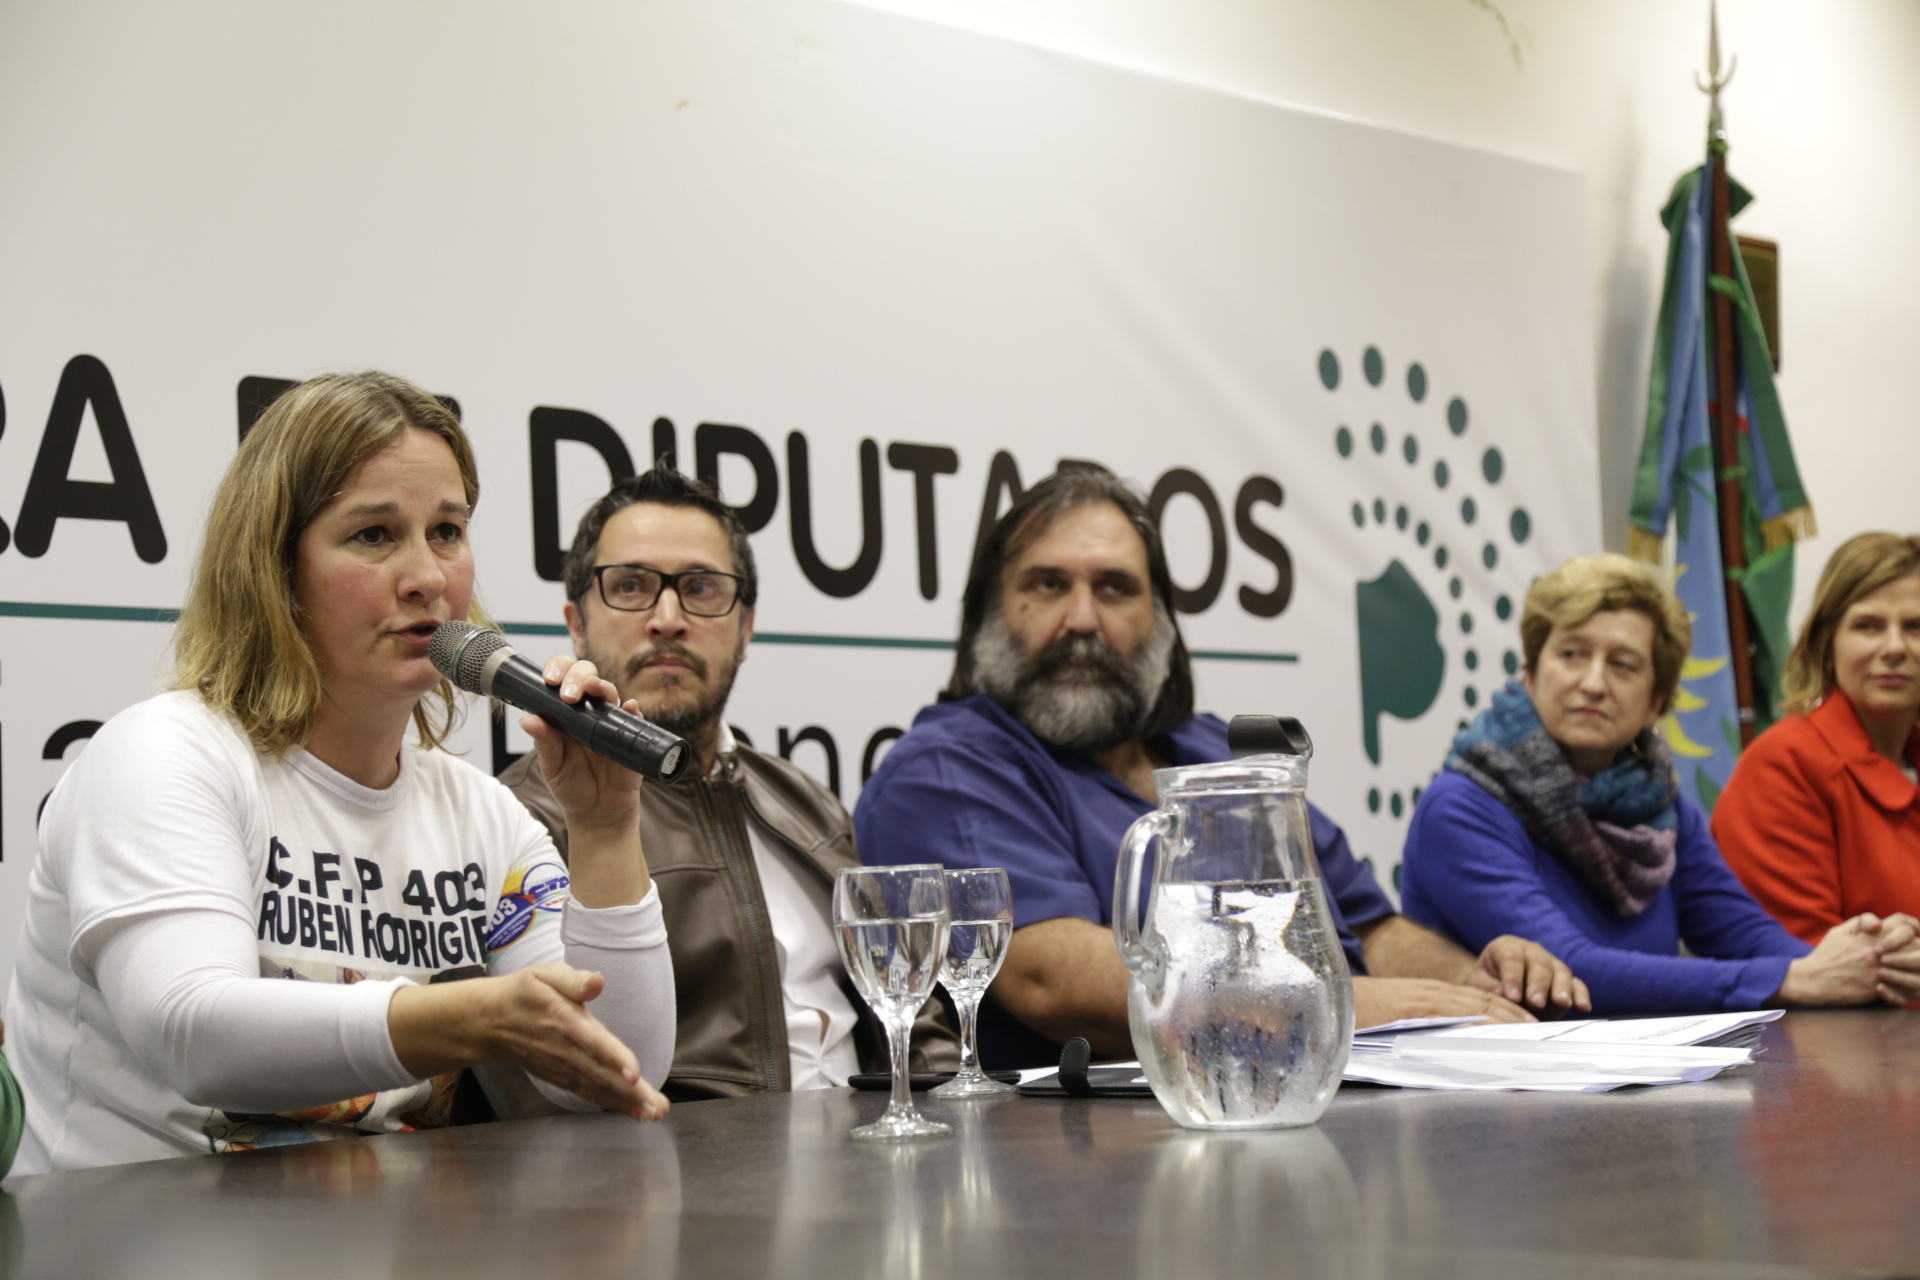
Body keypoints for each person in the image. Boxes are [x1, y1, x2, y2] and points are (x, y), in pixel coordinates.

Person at [4, 372, 674, 1174]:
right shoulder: (165, 753)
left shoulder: (481, 815)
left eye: (447, 531)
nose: (428, 577)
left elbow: (616, 1075)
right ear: (272, 569)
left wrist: (604, 828)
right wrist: (461, 1018)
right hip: (125, 1231)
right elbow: (190, 1030)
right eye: (374, 535)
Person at [855, 467, 1589, 1069]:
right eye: (1048, 585)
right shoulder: (946, 769)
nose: (1082, 619)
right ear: (990, 612)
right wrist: (1355, 1006)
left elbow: (1370, 926)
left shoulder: (1212, 747)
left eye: (1115, 588)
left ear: (1161, 623)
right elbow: (1055, 980)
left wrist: (1471, 981)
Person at [500, 467, 957, 1098]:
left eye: (701, 588)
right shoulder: (522, 817)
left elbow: (915, 1015)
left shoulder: (807, 800)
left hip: (880, 1140)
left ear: (745, 629)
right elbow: (553, 1081)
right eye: (631, 586)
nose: (667, 618)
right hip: (694, 1154)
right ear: (576, 624)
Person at [1400, 553, 1920, 1013]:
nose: (1593, 683)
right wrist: (1793, 979)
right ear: (1531, 675)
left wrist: (1860, 962)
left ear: (1656, 702)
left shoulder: (1657, 802)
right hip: (1504, 1083)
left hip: (1642, 1078)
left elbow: (1742, 931)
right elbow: (1570, 969)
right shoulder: (1462, 806)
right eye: (1572, 654)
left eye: (1622, 665)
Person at [1714, 533, 1920, 943]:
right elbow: (1803, 955)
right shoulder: (1784, 765)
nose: (1894, 647)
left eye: (1915, 626)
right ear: (1828, 642)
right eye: (1868, 626)